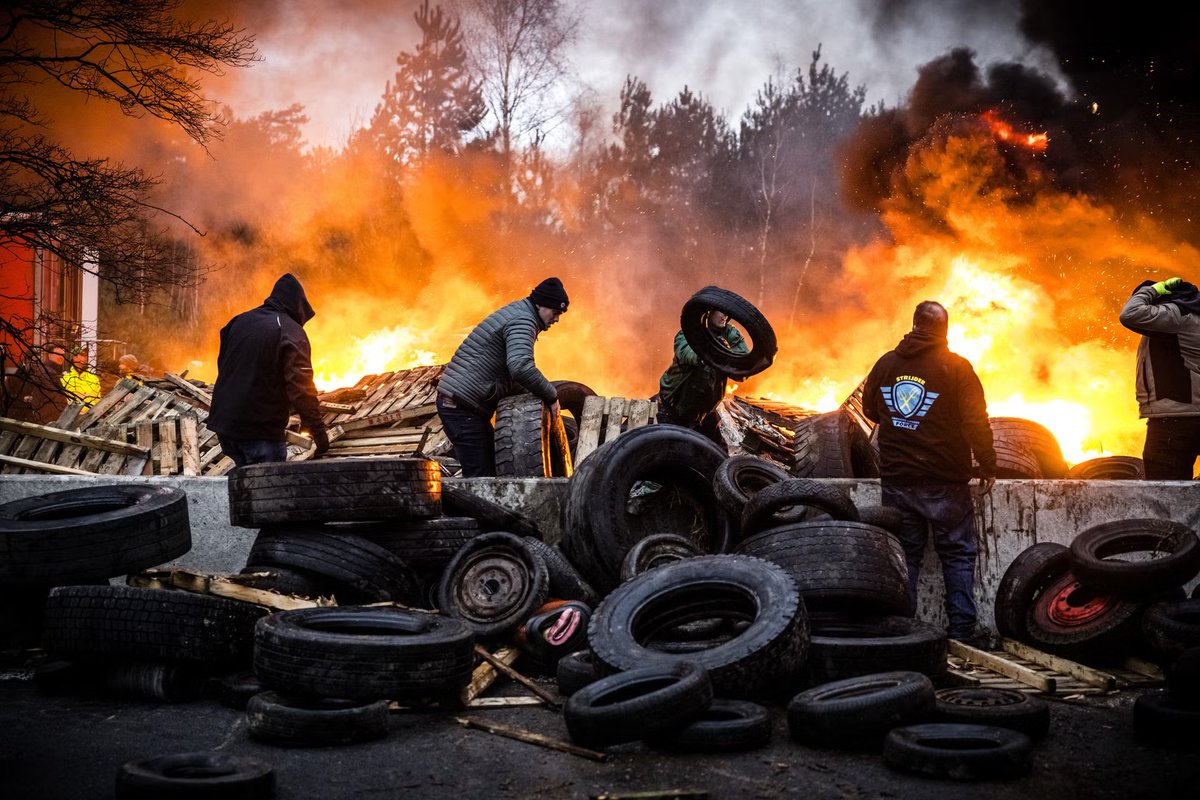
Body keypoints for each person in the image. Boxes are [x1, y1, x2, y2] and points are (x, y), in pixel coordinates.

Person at [862, 300, 997, 647]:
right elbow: (975, 421)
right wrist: (987, 463)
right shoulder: (957, 368)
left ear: (914, 325)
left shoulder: (886, 363)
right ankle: (962, 633)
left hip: (898, 481)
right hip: (945, 482)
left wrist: (904, 425)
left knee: (906, 556)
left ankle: (903, 634)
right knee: (957, 554)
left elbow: (870, 410)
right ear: (945, 330)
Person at [436, 277, 568, 477]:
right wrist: (551, 396)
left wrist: (535, 391)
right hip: (459, 407)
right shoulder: (523, 321)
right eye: (555, 312)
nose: (557, 319)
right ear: (540, 304)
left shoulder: (519, 313)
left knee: (490, 469)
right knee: (480, 478)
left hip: (463, 405)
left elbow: (511, 372)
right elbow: (520, 367)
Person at [207, 273, 329, 467]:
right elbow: (301, 388)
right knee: (267, 482)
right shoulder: (290, 330)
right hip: (260, 431)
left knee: (244, 479)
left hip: (225, 427)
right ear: (298, 305)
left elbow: (224, 366)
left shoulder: (239, 321)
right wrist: (319, 432)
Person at [1118, 276, 1200, 480]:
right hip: (1186, 415)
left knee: (1165, 491)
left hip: (1176, 420)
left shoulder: (1178, 316)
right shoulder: (1190, 316)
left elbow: (1130, 314)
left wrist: (1154, 289)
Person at [655, 309, 748, 446]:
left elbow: (743, 369)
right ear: (708, 313)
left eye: (726, 312)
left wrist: (728, 352)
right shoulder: (688, 333)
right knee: (672, 448)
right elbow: (687, 353)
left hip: (705, 409)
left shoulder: (730, 335)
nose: (724, 316)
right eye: (720, 311)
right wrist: (708, 353)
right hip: (674, 406)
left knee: (717, 451)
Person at [5, 344, 67, 424]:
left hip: (34, 420)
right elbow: (6, 398)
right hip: (16, 419)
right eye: (32, 361)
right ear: (24, 360)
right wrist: (24, 399)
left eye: (37, 362)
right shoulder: (14, 378)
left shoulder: (41, 376)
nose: (34, 364)